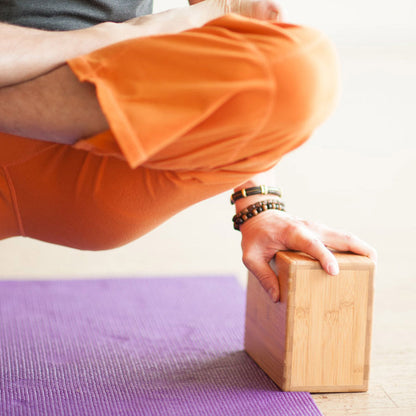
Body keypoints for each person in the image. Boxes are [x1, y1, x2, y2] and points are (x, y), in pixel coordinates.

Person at [0, 0, 376, 302]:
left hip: (109, 146)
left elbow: (242, 25)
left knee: (301, 66)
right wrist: (131, 33)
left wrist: (260, 207)